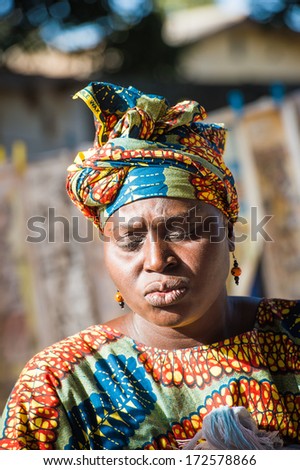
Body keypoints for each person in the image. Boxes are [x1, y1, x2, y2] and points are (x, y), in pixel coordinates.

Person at [0, 82, 299, 450]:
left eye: (185, 231)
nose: (157, 260)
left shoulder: (293, 337)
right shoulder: (58, 386)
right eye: (130, 240)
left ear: (230, 235)